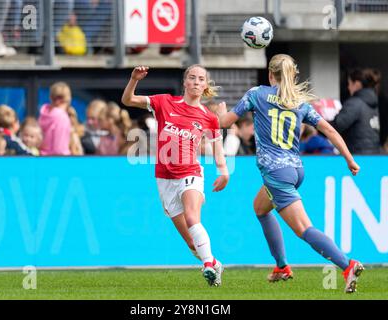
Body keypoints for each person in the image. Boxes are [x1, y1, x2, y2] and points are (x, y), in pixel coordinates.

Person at [217, 54, 364, 293]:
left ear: (270, 74)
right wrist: (349, 159)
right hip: (295, 170)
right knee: (261, 208)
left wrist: (220, 111)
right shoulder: (299, 103)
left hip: (276, 173)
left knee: (304, 229)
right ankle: (282, 266)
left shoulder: (256, 94)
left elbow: (224, 122)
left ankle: (347, 266)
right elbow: (329, 129)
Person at [122, 65, 230, 286]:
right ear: (185, 82)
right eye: (192, 78)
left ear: (205, 85)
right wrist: (134, 79)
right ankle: (214, 264)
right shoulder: (164, 102)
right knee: (192, 243)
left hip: (191, 173)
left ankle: (208, 265)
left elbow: (218, 148)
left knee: (192, 217)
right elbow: (128, 100)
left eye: (201, 79)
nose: (196, 82)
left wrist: (223, 172)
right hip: (164, 178)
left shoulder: (208, 118)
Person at [331, 68, 380, 154]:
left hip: (357, 155)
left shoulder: (354, 103)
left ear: (357, 84)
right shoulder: (373, 104)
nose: (348, 87)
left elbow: (337, 126)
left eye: (349, 83)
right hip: (373, 155)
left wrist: (317, 122)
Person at [38, 82, 72, 155]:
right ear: (68, 98)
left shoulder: (43, 114)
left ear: (51, 97)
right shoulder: (62, 117)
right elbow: (60, 149)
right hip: (57, 161)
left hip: (41, 157)